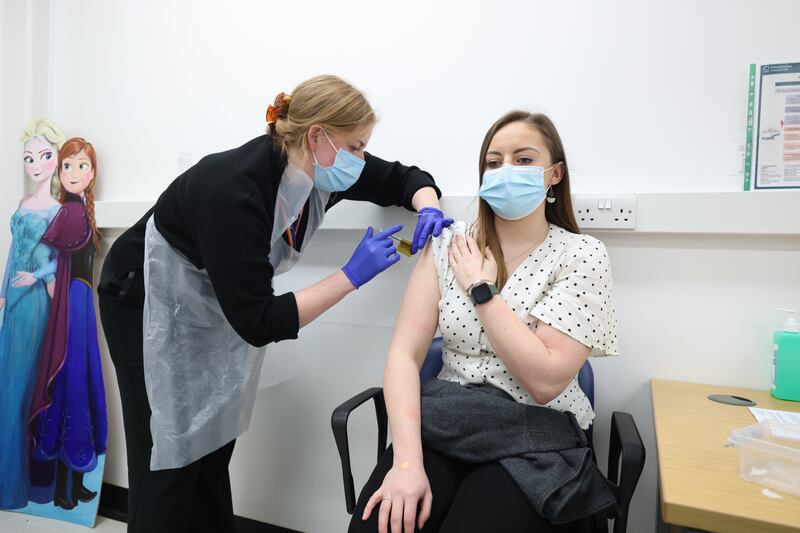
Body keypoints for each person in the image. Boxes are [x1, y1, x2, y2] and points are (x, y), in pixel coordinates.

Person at [97, 74, 452, 533]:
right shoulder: (233, 188)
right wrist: (350, 276)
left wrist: (430, 206)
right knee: (166, 453)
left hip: (212, 300)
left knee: (211, 440)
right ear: (316, 135)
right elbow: (260, 321)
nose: (361, 160)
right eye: (356, 146)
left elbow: (403, 178)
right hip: (142, 298)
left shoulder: (319, 172)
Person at [350, 111, 620, 533]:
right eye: (494, 163)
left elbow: (546, 381)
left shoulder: (581, 256)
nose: (506, 170)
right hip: (448, 420)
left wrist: (482, 289)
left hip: (534, 433)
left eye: (524, 159)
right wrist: (405, 463)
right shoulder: (447, 244)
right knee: (379, 525)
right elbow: (403, 355)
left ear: (554, 174)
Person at [28, 138, 108, 510]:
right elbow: (50, 261)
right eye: (67, 166)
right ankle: (64, 489)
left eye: (81, 165)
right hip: (73, 305)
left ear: (92, 173)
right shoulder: (69, 215)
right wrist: (46, 287)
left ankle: (74, 485)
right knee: (72, 384)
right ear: (60, 173)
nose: (74, 173)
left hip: (82, 304)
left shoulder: (81, 212)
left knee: (77, 384)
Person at [0, 120, 64, 509]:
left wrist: (33, 276)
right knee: (5, 383)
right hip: (13, 298)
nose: (36, 164)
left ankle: (14, 484)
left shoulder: (58, 210)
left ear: (55, 159)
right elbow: (12, 253)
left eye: (43, 156)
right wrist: (4, 289)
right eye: (29, 158)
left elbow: (58, 263)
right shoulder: (24, 205)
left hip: (36, 300)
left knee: (20, 387)